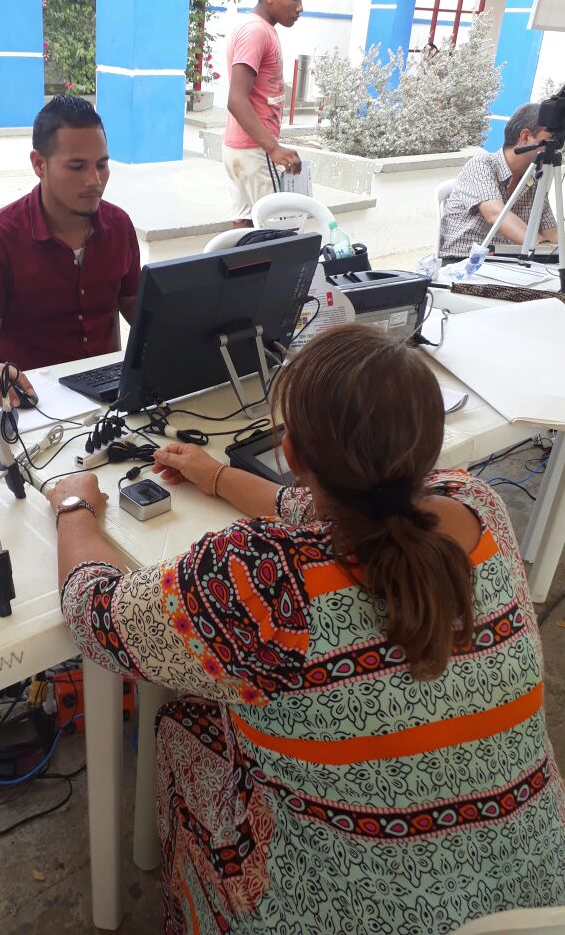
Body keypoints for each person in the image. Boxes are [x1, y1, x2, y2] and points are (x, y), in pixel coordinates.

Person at [48, 323, 565, 934]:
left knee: (181, 722)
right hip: (537, 900)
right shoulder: (478, 506)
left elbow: (97, 614)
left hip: (331, 915)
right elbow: (328, 508)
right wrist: (216, 476)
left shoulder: (263, 585)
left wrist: (74, 506)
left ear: (291, 455)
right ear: (427, 446)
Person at [0, 96, 141, 405]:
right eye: (77, 167)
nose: (95, 180)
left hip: (111, 397)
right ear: (39, 165)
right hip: (33, 400)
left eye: (102, 164)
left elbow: (138, 308)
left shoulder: (119, 226)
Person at [223, 0, 310, 228]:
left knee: (245, 229)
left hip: (241, 149)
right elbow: (236, 99)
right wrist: (273, 148)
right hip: (254, 151)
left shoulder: (258, 28)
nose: (300, 7)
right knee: (278, 232)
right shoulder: (256, 32)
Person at [440, 102, 559, 261]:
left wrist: (553, 250)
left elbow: (552, 234)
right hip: (461, 261)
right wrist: (543, 248)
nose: (555, 149)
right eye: (550, 141)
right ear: (525, 137)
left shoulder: (534, 179)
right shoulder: (481, 165)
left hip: (503, 261)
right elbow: (495, 215)